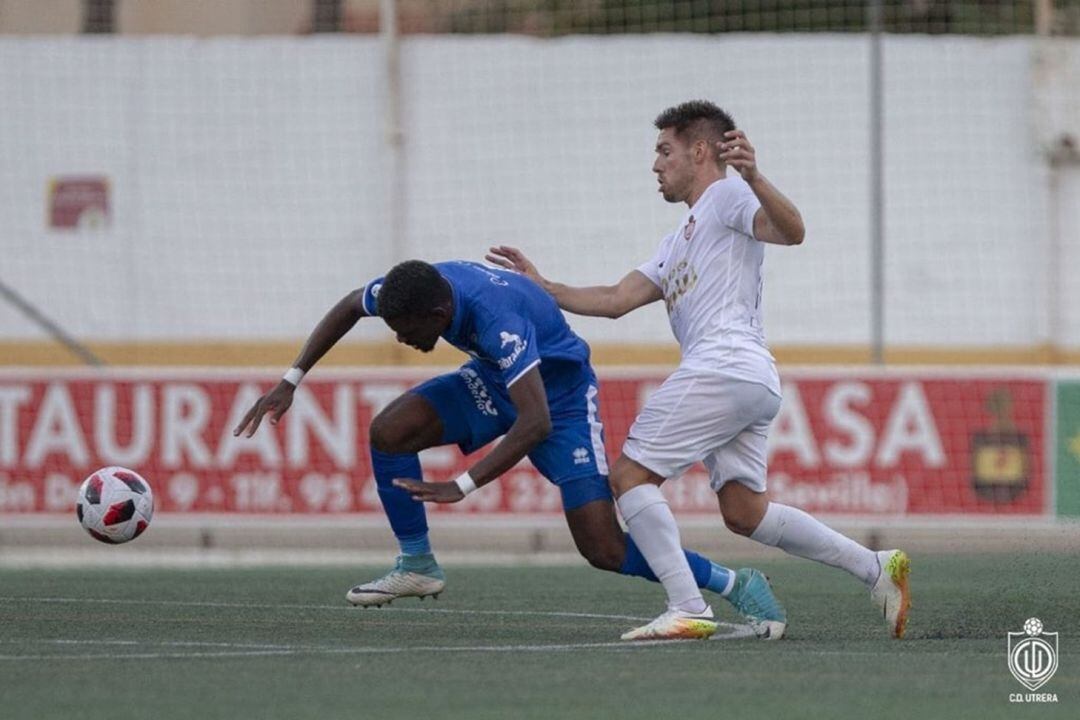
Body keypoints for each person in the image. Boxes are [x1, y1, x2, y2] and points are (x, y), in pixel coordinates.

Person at [485, 100, 911, 642]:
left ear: (701, 151)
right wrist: (543, 287)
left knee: (630, 476)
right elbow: (617, 299)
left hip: (724, 366)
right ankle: (876, 567)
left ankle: (689, 604)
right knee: (744, 511)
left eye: (665, 151)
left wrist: (754, 175)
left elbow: (793, 230)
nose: (655, 164)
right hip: (748, 379)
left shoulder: (728, 196)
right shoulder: (677, 239)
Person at [234, 258, 784, 636]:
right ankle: (418, 563)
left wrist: (462, 484)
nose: (402, 339)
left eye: (406, 331)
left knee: (603, 547)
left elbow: (536, 421)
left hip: (560, 400)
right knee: (389, 431)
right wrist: (292, 377)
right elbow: (352, 305)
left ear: (438, 316)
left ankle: (733, 581)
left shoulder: (499, 322)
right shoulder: (415, 291)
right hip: (495, 382)